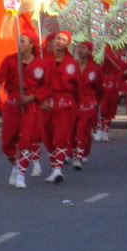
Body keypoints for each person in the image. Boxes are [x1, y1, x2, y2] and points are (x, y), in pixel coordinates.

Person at [0, 32, 44, 189]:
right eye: (18, 41)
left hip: (31, 106)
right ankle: (15, 165)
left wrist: (34, 97)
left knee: (26, 140)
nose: (19, 44)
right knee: (7, 142)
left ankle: (21, 174)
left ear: (32, 44)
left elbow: (47, 86)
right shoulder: (10, 60)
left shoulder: (41, 64)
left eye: (22, 41)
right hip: (13, 103)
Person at [40, 30, 78, 183]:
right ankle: (55, 164)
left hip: (64, 102)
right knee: (47, 136)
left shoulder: (71, 63)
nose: (59, 41)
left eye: (63, 39)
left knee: (60, 136)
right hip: (46, 102)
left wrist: (78, 103)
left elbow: (75, 85)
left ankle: (57, 169)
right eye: (58, 38)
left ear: (68, 43)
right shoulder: (43, 60)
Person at [74, 41, 102, 167]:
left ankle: (79, 157)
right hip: (74, 102)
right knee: (74, 130)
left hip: (88, 103)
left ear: (89, 51)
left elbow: (99, 88)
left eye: (83, 48)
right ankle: (79, 151)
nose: (80, 50)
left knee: (82, 128)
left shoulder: (94, 69)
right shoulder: (72, 66)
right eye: (79, 47)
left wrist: (96, 102)